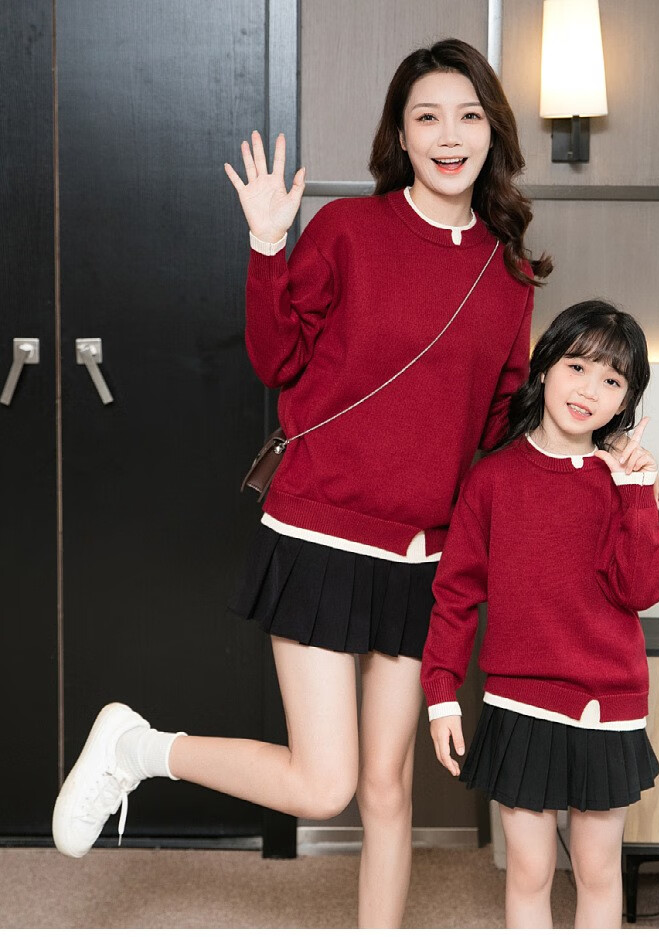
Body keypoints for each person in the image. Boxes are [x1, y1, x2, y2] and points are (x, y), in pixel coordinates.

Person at [52, 38, 552, 927]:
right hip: (321, 532)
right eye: (427, 117)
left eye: (468, 116)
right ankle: (140, 747)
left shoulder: (508, 275)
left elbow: (499, 430)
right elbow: (278, 357)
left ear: (493, 133)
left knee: (389, 788)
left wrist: (602, 462)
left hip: (421, 557)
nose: (449, 136)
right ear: (400, 135)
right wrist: (267, 242)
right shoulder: (349, 231)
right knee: (326, 786)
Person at [421, 300, 659, 929]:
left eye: (611, 380)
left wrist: (636, 495)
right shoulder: (492, 480)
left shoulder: (624, 484)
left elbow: (642, 590)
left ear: (626, 402)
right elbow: (456, 594)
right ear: (544, 368)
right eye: (577, 367)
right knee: (529, 872)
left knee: (597, 871)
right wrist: (442, 694)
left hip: (606, 704)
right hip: (520, 702)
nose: (588, 390)